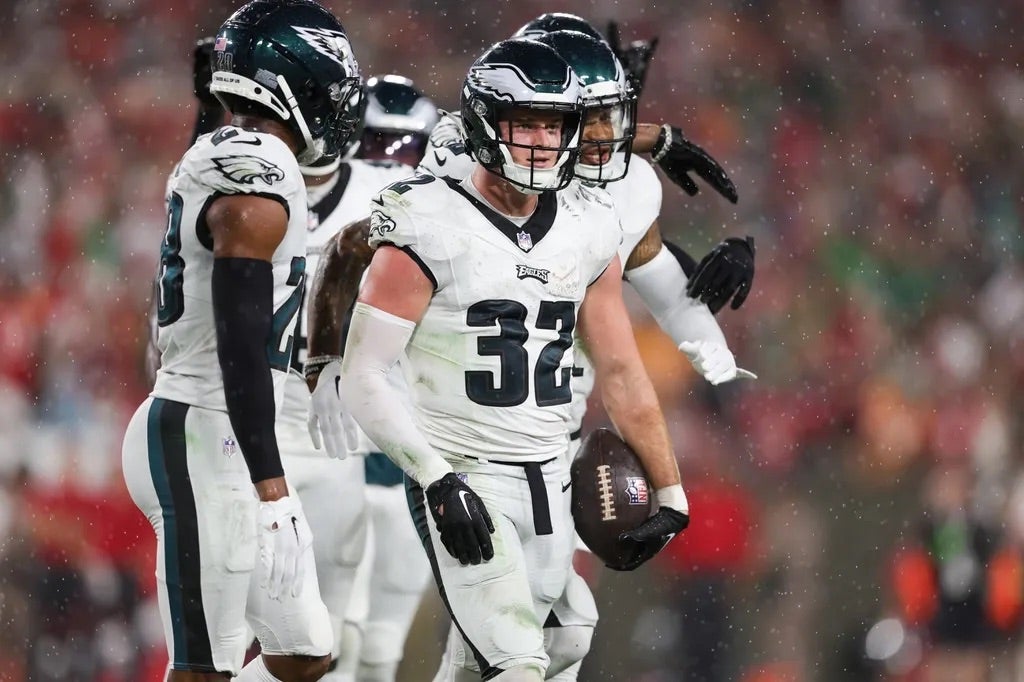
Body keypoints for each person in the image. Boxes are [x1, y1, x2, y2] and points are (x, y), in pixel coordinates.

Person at [336, 37, 690, 682]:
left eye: (554, 124)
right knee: (517, 660)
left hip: (551, 473)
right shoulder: (428, 218)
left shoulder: (587, 223)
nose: (539, 140)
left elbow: (620, 369)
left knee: (561, 641)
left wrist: (671, 491)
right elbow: (362, 375)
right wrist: (435, 478)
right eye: (523, 121)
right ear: (481, 123)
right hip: (465, 470)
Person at [416, 27, 753, 682]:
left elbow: (658, 307)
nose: (603, 137)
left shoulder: (608, 205)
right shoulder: (466, 172)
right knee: (513, 647)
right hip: (467, 444)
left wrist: (720, 277)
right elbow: (471, 133)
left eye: (611, 117)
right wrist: (654, 135)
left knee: (547, 641)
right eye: (585, 117)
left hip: (553, 444)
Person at [120, 1, 363, 679]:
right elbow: (241, 340)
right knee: (205, 668)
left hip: (218, 429)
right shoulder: (256, 166)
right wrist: (275, 489)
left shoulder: (232, 150)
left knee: (306, 654)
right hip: (204, 433)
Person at [323, 75, 440, 682]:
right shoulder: (329, 219)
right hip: (337, 451)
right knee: (333, 636)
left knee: (379, 648)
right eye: (377, 146)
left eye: (405, 150)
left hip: (407, 463)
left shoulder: (448, 226)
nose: (390, 165)